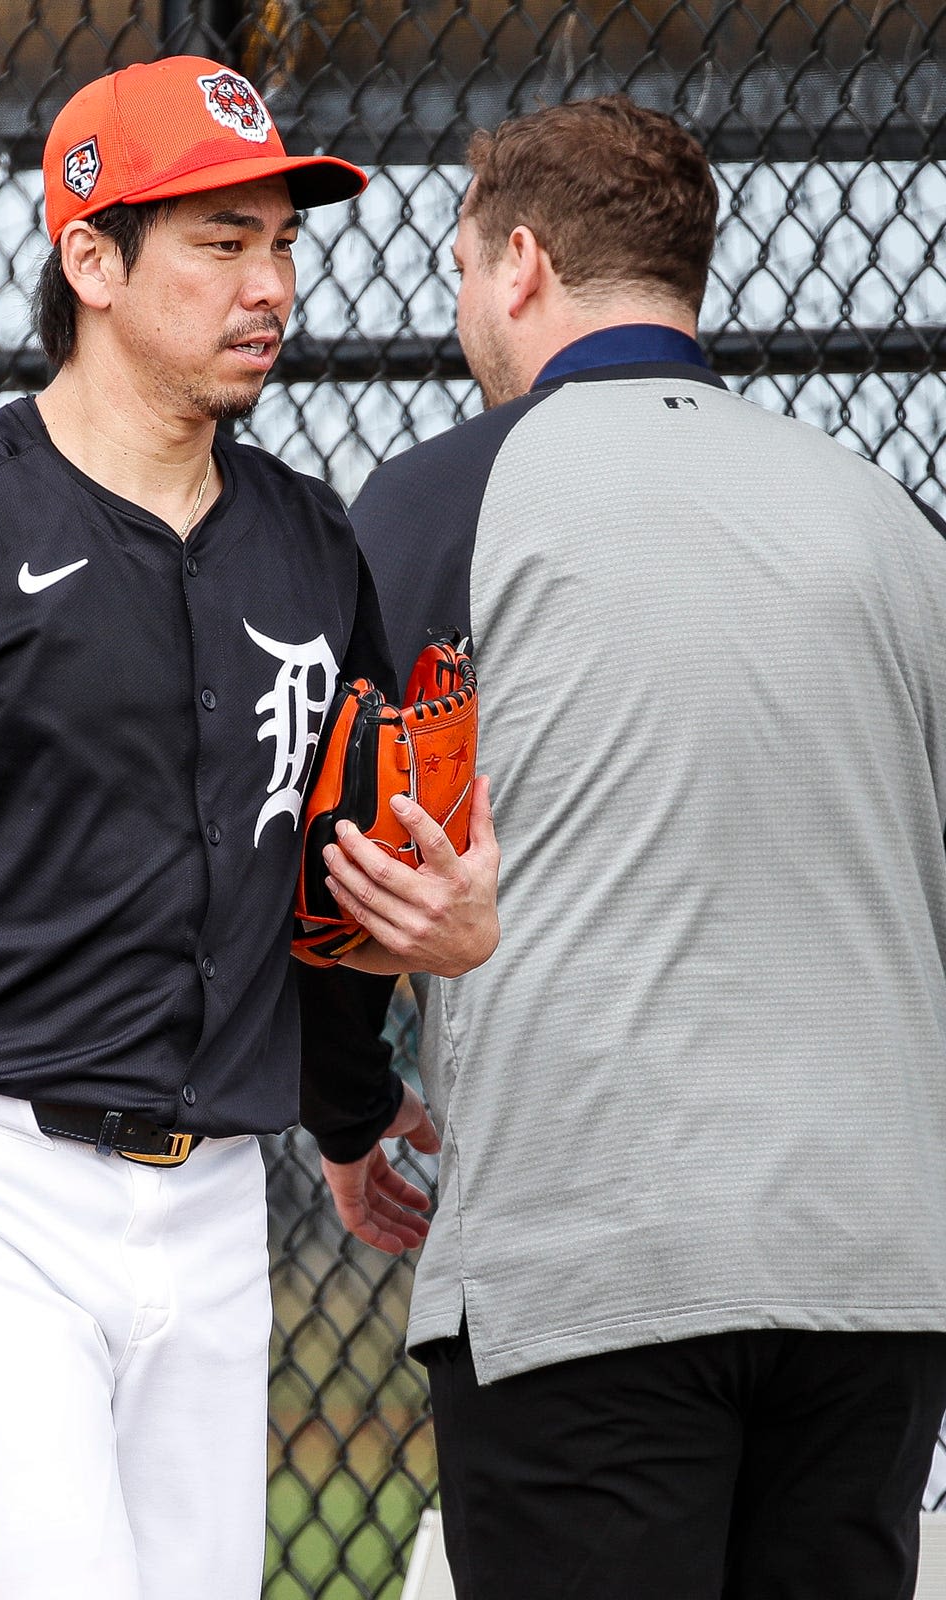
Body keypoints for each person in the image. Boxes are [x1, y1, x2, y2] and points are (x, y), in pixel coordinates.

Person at [0, 58, 498, 1600]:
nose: (269, 286)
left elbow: (332, 882)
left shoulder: (309, 541)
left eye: (281, 242)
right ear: (92, 261)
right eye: (220, 242)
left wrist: (346, 1117)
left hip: (211, 1196)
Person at [344, 96, 946, 1598]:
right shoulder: (888, 522)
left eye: (466, 267)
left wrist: (348, 1108)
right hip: (873, 1266)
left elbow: (349, 846)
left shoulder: (449, 494)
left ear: (522, 264)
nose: (466, 305)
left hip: (592, 1260)